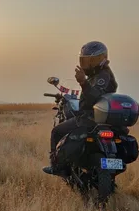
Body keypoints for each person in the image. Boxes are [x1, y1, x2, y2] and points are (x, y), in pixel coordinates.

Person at [42, 41, 118, 175]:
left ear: (102, 59)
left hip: (91, 118)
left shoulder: (103, 76)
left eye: (91, 60)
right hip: (99, 117)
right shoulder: (99, 75)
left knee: (56, 132)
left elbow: (94, 97)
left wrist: (83, 82)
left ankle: (56, 166)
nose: (88, 64)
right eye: (85, 60)